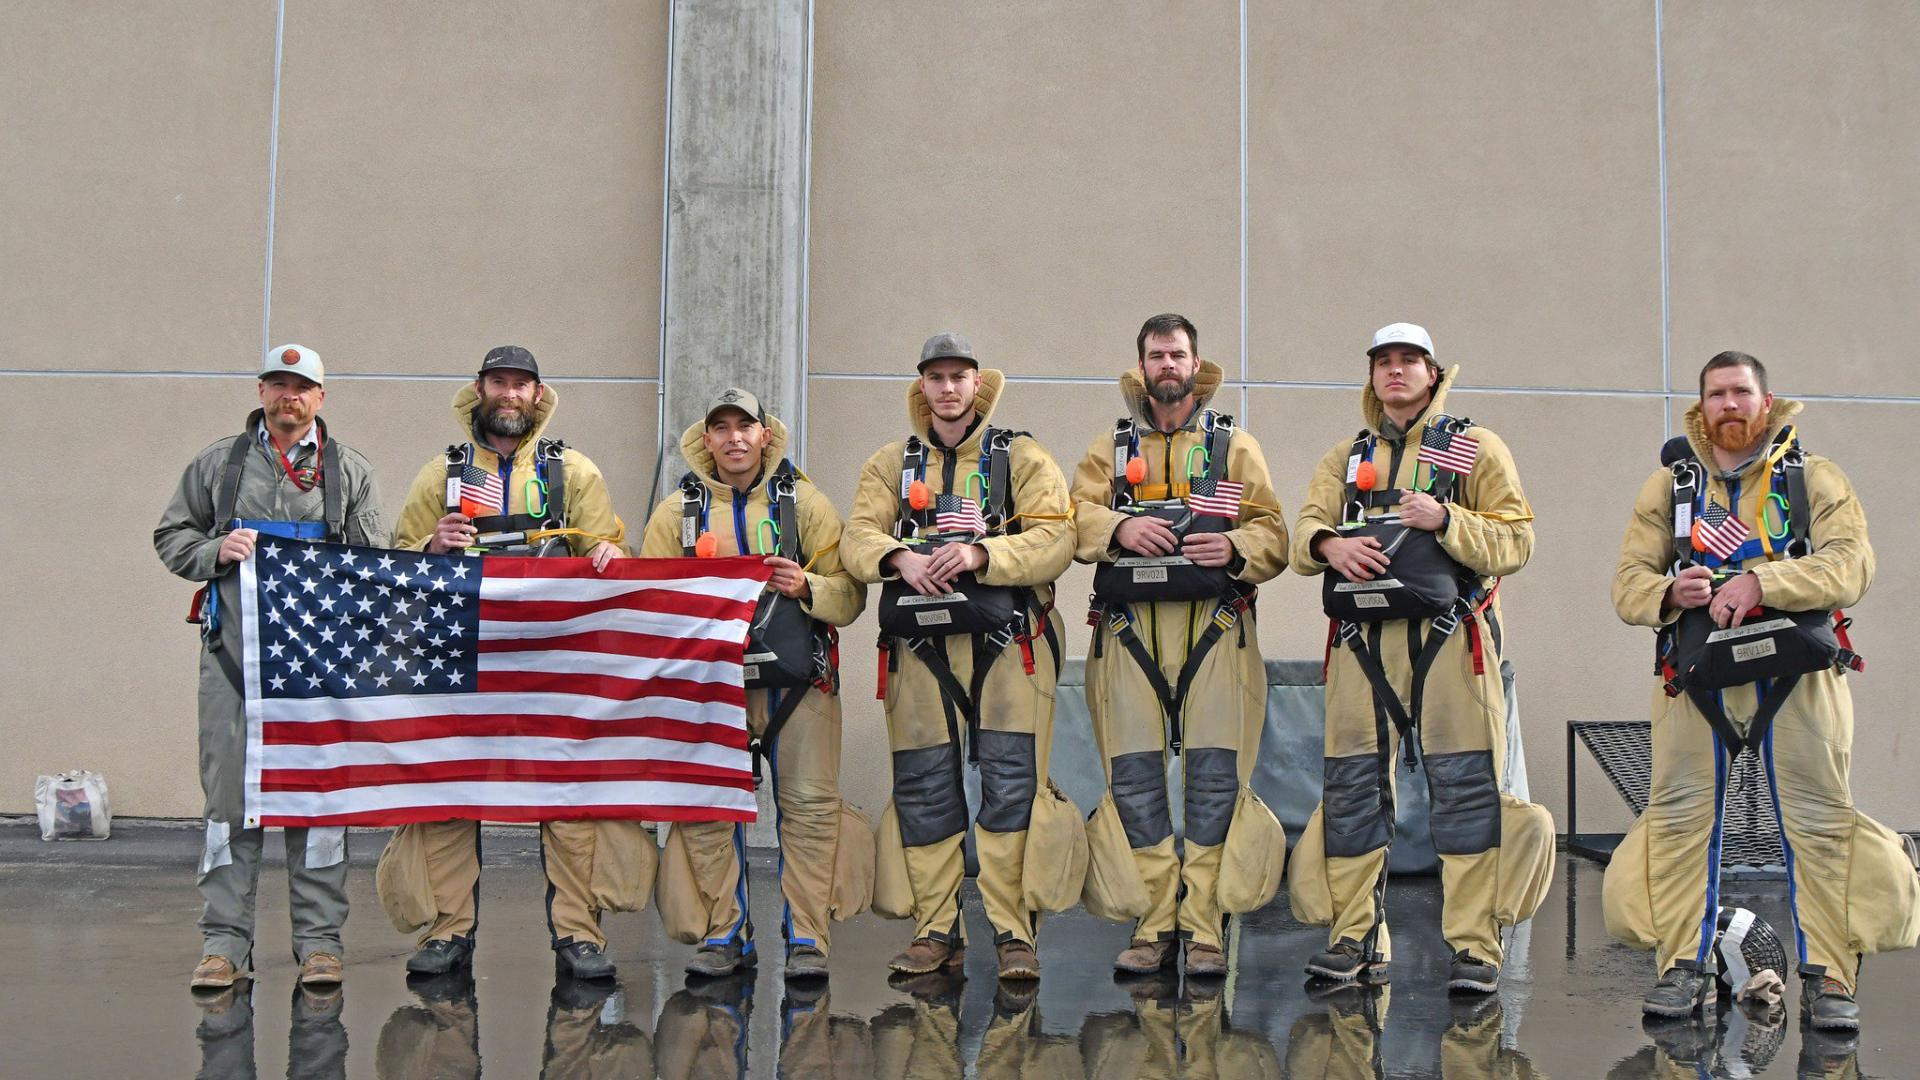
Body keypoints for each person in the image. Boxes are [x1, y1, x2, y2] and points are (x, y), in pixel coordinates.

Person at [1605, 350, 1920, 1030]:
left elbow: (1852, 564)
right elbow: (1628, 585)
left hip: (1798, 680)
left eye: (1742, 392)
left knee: (1821, 824)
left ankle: (1832, 977)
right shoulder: (1669, 487)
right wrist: (1670, 591)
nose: (1730, 404)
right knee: (1682, 823)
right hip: (1695, 682)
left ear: (1767, 402)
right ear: (1702, 405)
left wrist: (1764, 582)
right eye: (1717, 393)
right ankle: (1681, 966)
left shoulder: (1815, 479)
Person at [1289, 322, 1547, 993]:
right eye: (1384, 362)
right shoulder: (1346, 457)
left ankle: (1474, 946)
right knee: (1351, 795)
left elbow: (1517, 541)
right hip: (1360, 647)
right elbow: (1303, 532)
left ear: (1434, 373)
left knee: (1464, 793)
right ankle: (1353, 938)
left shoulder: (1471, 449)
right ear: (1371, 375)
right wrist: (1328, 547)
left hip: (1451, 641)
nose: (1396, 372)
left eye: (1410, 361)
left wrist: (1448, 522)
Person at [381, 344, 638, 981]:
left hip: (554, 661)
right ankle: (448, 931)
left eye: (521, 385)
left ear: (538, 394)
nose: (510, 394)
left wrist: (609, 556)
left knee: (567, 790)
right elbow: (395, 561)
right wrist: (429, 544)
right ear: (480, 388)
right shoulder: (439, 473)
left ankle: (579, 933)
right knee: (449, 790)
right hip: (460, 657)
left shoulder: (573, 471)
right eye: (499, 382)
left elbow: (614, 553)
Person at [841, 333, 1075, 981]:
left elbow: (1058, 537)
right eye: (935, 377)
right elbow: (855, 535)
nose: (947, 388)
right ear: (923, 387)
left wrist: (983, 555)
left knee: (1010, 787)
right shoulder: (891, 464)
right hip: (920, 649)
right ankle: (935, 929)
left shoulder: (1021, 457)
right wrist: (898, 557)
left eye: (959, 376)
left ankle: (1012, 933)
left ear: (979, 385)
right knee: (924, 790)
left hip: (1011, 648)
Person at [155, 343, 389, 991]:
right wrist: (214, 551)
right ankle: (224, 944)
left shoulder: (350, 472)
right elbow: (171, 538)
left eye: (303, 386)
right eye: (279, 384)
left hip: (318, 664)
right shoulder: (217, 466)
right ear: (261, 391)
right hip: (233, 660)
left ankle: (320, 944)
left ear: (321, 398)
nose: (291, 396)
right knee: (230, 799)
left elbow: (378, 561)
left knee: (317, 800)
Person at [1068, 313, 1289, 976]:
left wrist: (1235, 545)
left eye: (1178, 354)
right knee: (1135, 779)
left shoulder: (1234, 446)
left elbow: (1274, 533)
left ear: (1196, 366)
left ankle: (1204, 926)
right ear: (1142, 367)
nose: (1168, 365)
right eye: (1157, 355)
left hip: (1215, 630)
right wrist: (1118, 529)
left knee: (1215, 780)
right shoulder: (1107, 451)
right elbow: (1069, 519)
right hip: (1129, 633)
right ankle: (1155, 919)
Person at [638, 388, 868, 981]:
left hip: (801, 686)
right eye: (722, 427)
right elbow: (648, 604)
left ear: (766, 435)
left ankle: (807, 937)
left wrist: (807, 587)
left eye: (747, 425)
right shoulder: (675, 515)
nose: (735, 437)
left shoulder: (807, 503)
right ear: (706, 439)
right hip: (710, 691)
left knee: (811, 811)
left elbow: (851, 595)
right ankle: (725, 934)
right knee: (711, 811)